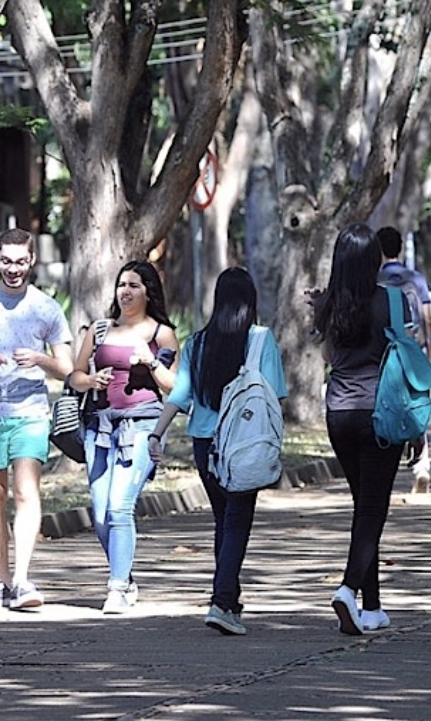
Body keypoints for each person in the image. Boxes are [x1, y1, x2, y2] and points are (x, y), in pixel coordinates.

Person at [149, 267, 287, 635]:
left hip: (204, 444)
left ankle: (229, 600)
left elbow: (180, 395)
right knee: (237, 522)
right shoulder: (261, 340)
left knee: (223, 521)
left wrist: (156, 434)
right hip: (243, 444)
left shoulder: (197, 343)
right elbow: (275, 395)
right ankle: (222, 602)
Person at [0, 228, 74, 610]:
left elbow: (67, 368)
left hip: (30, 412)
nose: (13, 269)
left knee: (25, 492)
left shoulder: (46, 307)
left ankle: (21, 579)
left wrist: (40, 359)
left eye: (21, 261)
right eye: (6, 261)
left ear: (32, 261)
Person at [313, 223, 411, 635]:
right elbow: (405, 353)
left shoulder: (329, 304)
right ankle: (349, 588)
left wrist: (318, 314)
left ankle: (371, 607)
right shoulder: (393, 299)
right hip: (380, 412)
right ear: (374, 259)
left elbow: (328, 355)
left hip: (338, 412)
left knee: (363, 506)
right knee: (373, 508)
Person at [66, 261, 180, 612]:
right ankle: (126, 578)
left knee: (120, 506)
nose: (125, 291)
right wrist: (90, 381)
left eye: (134, 285)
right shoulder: (99, 330)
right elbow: (74, 375)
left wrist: (151, 362)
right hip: (99, 427)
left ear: (148, 291)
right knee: (101, 514)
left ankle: (116, 587)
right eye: (121, 284)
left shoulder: (161, 333)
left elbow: (175, 388)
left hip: (141, 426)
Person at [376, 226, 431, 493]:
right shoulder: (416, 279)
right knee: (415, 405)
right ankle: (422, 464)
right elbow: (426, 316)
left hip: (382, 353)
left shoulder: (375, 279)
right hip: (411, 351)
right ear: (399, 247)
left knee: (386, 405)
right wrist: (429, 352)